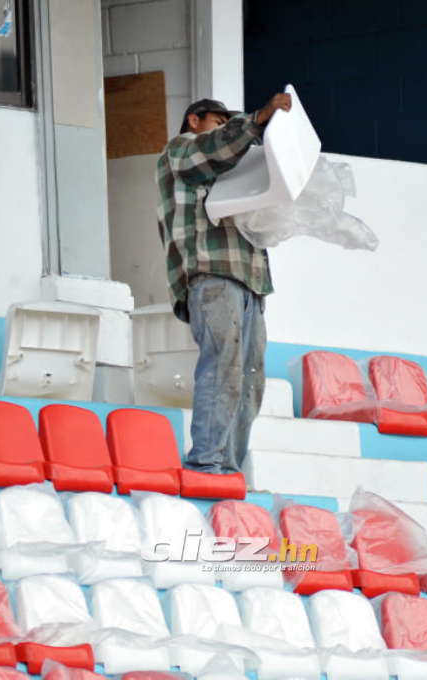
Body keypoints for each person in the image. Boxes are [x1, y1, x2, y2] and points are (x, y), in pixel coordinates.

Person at [155, 92, 292, 475]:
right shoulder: (181, 149)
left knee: (250, 381)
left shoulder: (228, 172)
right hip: (213, 277)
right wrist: (256, 120)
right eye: (219, 121)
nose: (228, 131)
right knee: (224, 369)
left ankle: (227, 469)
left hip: (249, 284)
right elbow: (216, 147)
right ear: (195, 120)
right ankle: (207, 465)